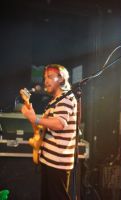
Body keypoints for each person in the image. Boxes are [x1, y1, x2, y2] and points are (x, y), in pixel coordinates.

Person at [21, 64, 77, 200]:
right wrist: (32, 118)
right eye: (45, 77)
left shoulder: (65, 98)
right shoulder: (55, 100)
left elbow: (59, 123)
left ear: (62, 79)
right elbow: (44, 128)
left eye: (50, 77)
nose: (46, 81)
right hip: (50, 160)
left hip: (57, 162)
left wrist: (36, 119)